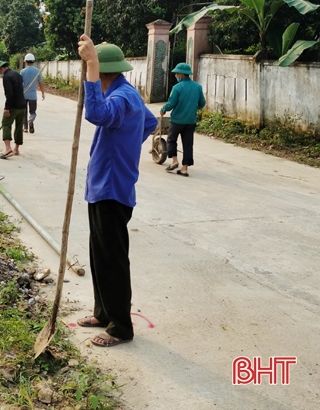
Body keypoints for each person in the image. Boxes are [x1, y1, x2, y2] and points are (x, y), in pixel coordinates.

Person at [76, 37, 158, 347]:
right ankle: (103, 312)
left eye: (94, 70)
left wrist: (92, 65)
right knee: (99, 254)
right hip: (102, 187)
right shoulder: (127, 94)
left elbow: (96, 113)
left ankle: (121, 327)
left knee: (112, 259)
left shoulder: (122, 97)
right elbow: (149, 123)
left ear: (103, 71)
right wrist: (125, 144)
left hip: (112, 189)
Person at [160, 63, 206, 177]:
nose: (176, 76)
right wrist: (192, 108)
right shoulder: (197, 87)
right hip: (191, 121)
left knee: (171, 140)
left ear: (182, 74)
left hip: (177, 120)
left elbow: (171, 103)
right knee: (188, 144)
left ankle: (174, 161)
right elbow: (202, 103)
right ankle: (184, 169)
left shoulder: (177, 88)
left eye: (177, 73)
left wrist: (163, 109)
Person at [0, 60, 26, 158]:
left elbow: (9, 94)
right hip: (22, 105)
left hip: (13, 106)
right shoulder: (17, 74)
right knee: (19, 126)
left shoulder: (6, 77)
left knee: (6, 124)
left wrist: (7, 108)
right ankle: (16, 149)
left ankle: (8, 149)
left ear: (1, 68)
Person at [20, 53, 45, 133]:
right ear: (33, 61)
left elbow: (20, 83)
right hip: (33, 96)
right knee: (33, 112)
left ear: (26, 62)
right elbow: (41, 83)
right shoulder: (37, 71)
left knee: (24, 112)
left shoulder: (23, 71)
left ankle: (25, 128)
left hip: (24, 95)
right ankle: (31, 120)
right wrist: (43, 93)